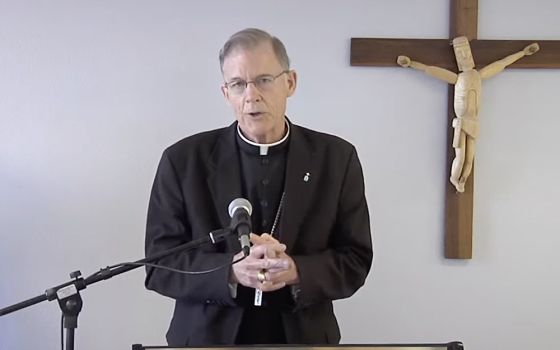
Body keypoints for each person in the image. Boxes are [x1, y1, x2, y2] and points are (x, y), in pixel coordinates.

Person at [144, 28, 373, 346]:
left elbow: (356, 260)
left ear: (290, 83)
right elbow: (159, 265)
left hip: (303, 338)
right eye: (238, 84)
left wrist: (296, 271)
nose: (251, 95)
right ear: (226, 94)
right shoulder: (183, 161)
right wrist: (230, 271)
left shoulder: (336, 158)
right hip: (206, 339)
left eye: (264, 80)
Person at [397, 36, 539, 192]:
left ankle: (462, 180)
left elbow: (502, 63)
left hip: (474, 121)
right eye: (461, 54)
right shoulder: (457, 78)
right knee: (461, 156)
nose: (465, 56)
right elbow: (430, 70)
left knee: (470, 157)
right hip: (461, 121)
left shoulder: (479, 75)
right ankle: (454, 179)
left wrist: (523, 53)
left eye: (467, 53)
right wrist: (410, 64)